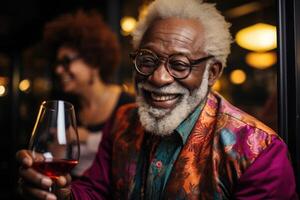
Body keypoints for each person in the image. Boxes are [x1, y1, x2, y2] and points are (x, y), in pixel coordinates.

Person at [17, 0, 297, 199]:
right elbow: (96, 191)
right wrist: (63, 194)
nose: (159, 78)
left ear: (212, 72)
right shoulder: (123, 119)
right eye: (147, 59)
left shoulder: (260, 153)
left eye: (179, 64)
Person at [43, 10, 134, 178]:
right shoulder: (66, 107)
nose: (58, 70)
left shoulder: (127, 106)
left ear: (93, 60)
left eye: (66, 62)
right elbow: (53, 162)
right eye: (57, 63)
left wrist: (86, 138)